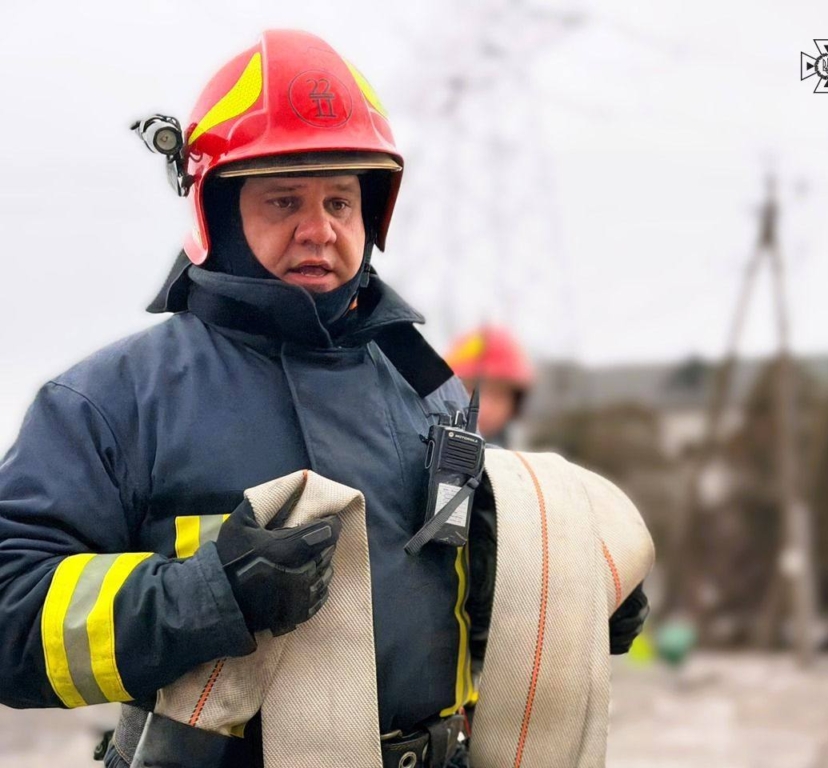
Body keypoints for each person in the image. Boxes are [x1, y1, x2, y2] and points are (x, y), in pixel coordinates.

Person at [0, 30, 646, 768]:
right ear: (218, 213)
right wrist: (206, 595)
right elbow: (10, 609)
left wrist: (562, 595)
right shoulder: (110, 403)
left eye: (341, 200)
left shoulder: (426, 390)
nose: (320, 229)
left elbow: (446, 606)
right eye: (284, 200)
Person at [444, 326, 534, 447]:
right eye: (470, 390)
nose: (483, 408)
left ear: (516, 404)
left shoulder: (521, 453)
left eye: (498, 395)